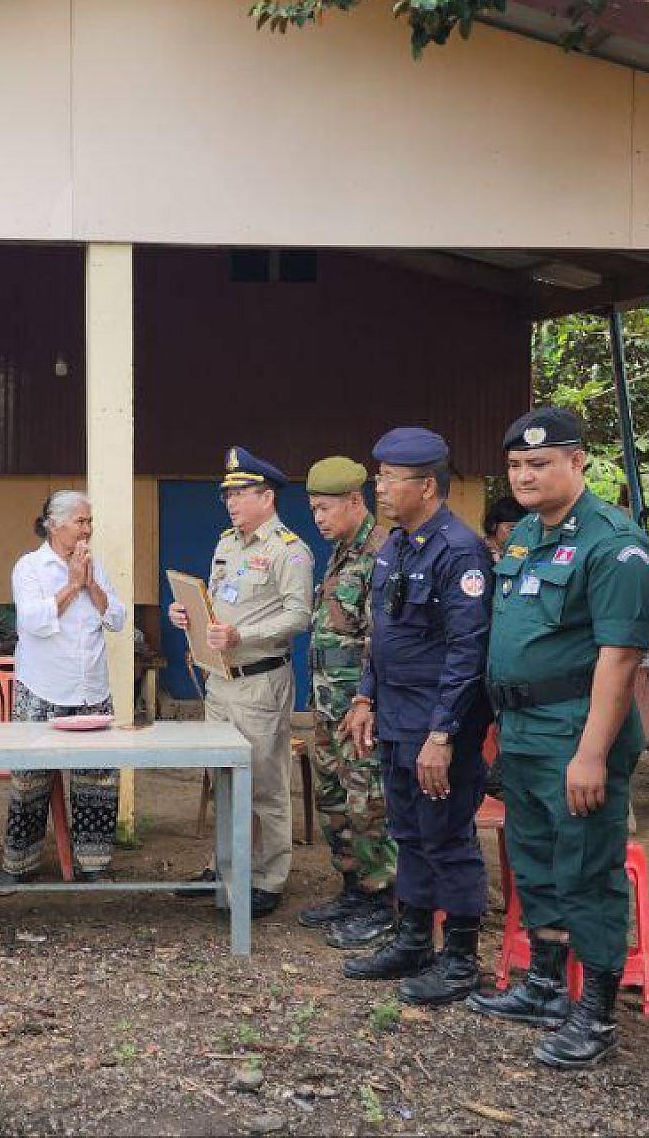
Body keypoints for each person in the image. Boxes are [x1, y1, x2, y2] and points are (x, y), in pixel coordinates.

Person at [467, 406, 649, 1069]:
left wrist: (591, 753)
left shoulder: (615, 543)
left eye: (540, 463)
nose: (525, 475)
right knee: (537, 860)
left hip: (576, 733)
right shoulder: (524, 536)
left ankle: (597, 1013)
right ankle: (545, 985)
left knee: (587, 869)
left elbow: (620, 657)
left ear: (578, 463)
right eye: (516, 465)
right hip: (523, 733)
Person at [337, 428, 492, 1004]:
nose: (378, 486)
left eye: (388, 478)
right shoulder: (396, 545)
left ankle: (460, 959)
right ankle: (413, 941)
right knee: (408, 833)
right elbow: (386, 634)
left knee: (447, 836)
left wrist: (444, 734)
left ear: (426, 485)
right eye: (379, 475)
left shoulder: (460, 551)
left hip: (436, 726)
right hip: (397, 720)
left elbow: (466, 650)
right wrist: (365, 698)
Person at [168, 447, 312, 919]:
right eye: (227, 494)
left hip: (260, 680)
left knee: (265, 783)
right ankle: (225, 865)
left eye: (240, 493)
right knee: (225, 778)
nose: (230, 502)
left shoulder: (290, 551)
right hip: (221, 680)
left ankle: (269, 878)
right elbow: (219, 603)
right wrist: (189, 617)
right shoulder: (227, 544)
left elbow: (299, 615)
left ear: (266, 498)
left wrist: (240, 635)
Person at [0, 490, 127, 885]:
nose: (88, 530)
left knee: (98, 780)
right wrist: (72, 585)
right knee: (30, 780)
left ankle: (94, 866)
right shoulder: (31, 568)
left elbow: (118, 619)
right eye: (81, 522)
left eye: (90, 522)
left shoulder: (92, 565)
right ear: (55, 524)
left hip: (91, 688)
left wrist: (92, 585)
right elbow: (33, 622)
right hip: (43, 688)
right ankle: (20, 867)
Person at [298, 455, 398, 950]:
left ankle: (382, 903)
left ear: (356, 501)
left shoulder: (382, 554)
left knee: (368, 806)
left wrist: (368, 703)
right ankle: (353, 890)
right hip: (328, 706)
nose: (317, 518)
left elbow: (383, 642)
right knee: (335, 801)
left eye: (324, 508)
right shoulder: (340, 553)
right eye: (313, 508)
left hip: (360, 711)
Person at [483, 494, 528, 562]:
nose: (517, 534)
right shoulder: (480, 551)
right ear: (493, 525)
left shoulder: (520, 551)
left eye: (522, 529)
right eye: (512, 529)